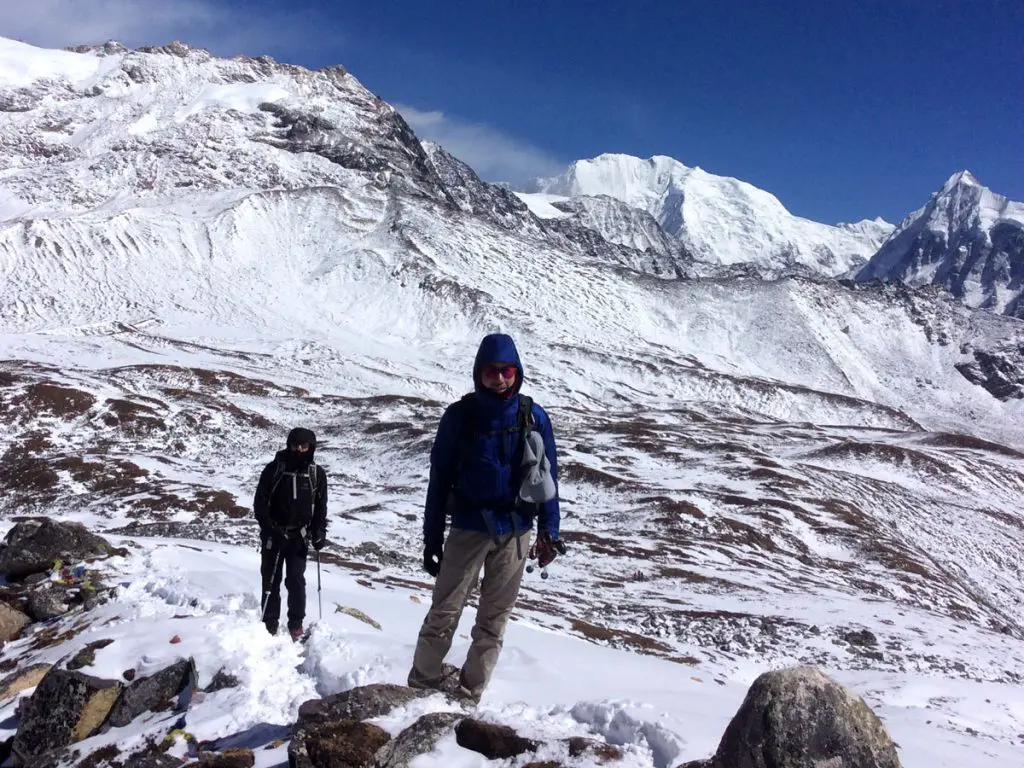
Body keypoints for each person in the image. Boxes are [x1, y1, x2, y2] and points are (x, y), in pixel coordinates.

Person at [408, 333, 565, 702]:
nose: (499, 378)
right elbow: (439, 479)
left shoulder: (533, 415)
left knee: (494, 619)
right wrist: (432, 538)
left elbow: (548, 476)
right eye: (491, 371)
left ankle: (470, 692)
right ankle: (422, 682)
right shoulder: (460, 417)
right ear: (478, 372)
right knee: (445, 610)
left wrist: (550, 531)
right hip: (468, 528)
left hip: (516, 531)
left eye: (506, 370)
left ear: (517, 372)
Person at [253, 427, 328, 640]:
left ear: (311, 447)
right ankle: (270, 623)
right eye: (295, 445)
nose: (299, 449)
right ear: (289, 445)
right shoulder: (274, 469)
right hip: (273, 535)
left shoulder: (316, 474)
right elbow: (260, 503)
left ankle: (296, 623)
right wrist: (270, 528)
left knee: (296, 581)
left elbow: (321, 506)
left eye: (304, 446)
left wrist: (319, 531)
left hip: (298, 537)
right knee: (270, 581)